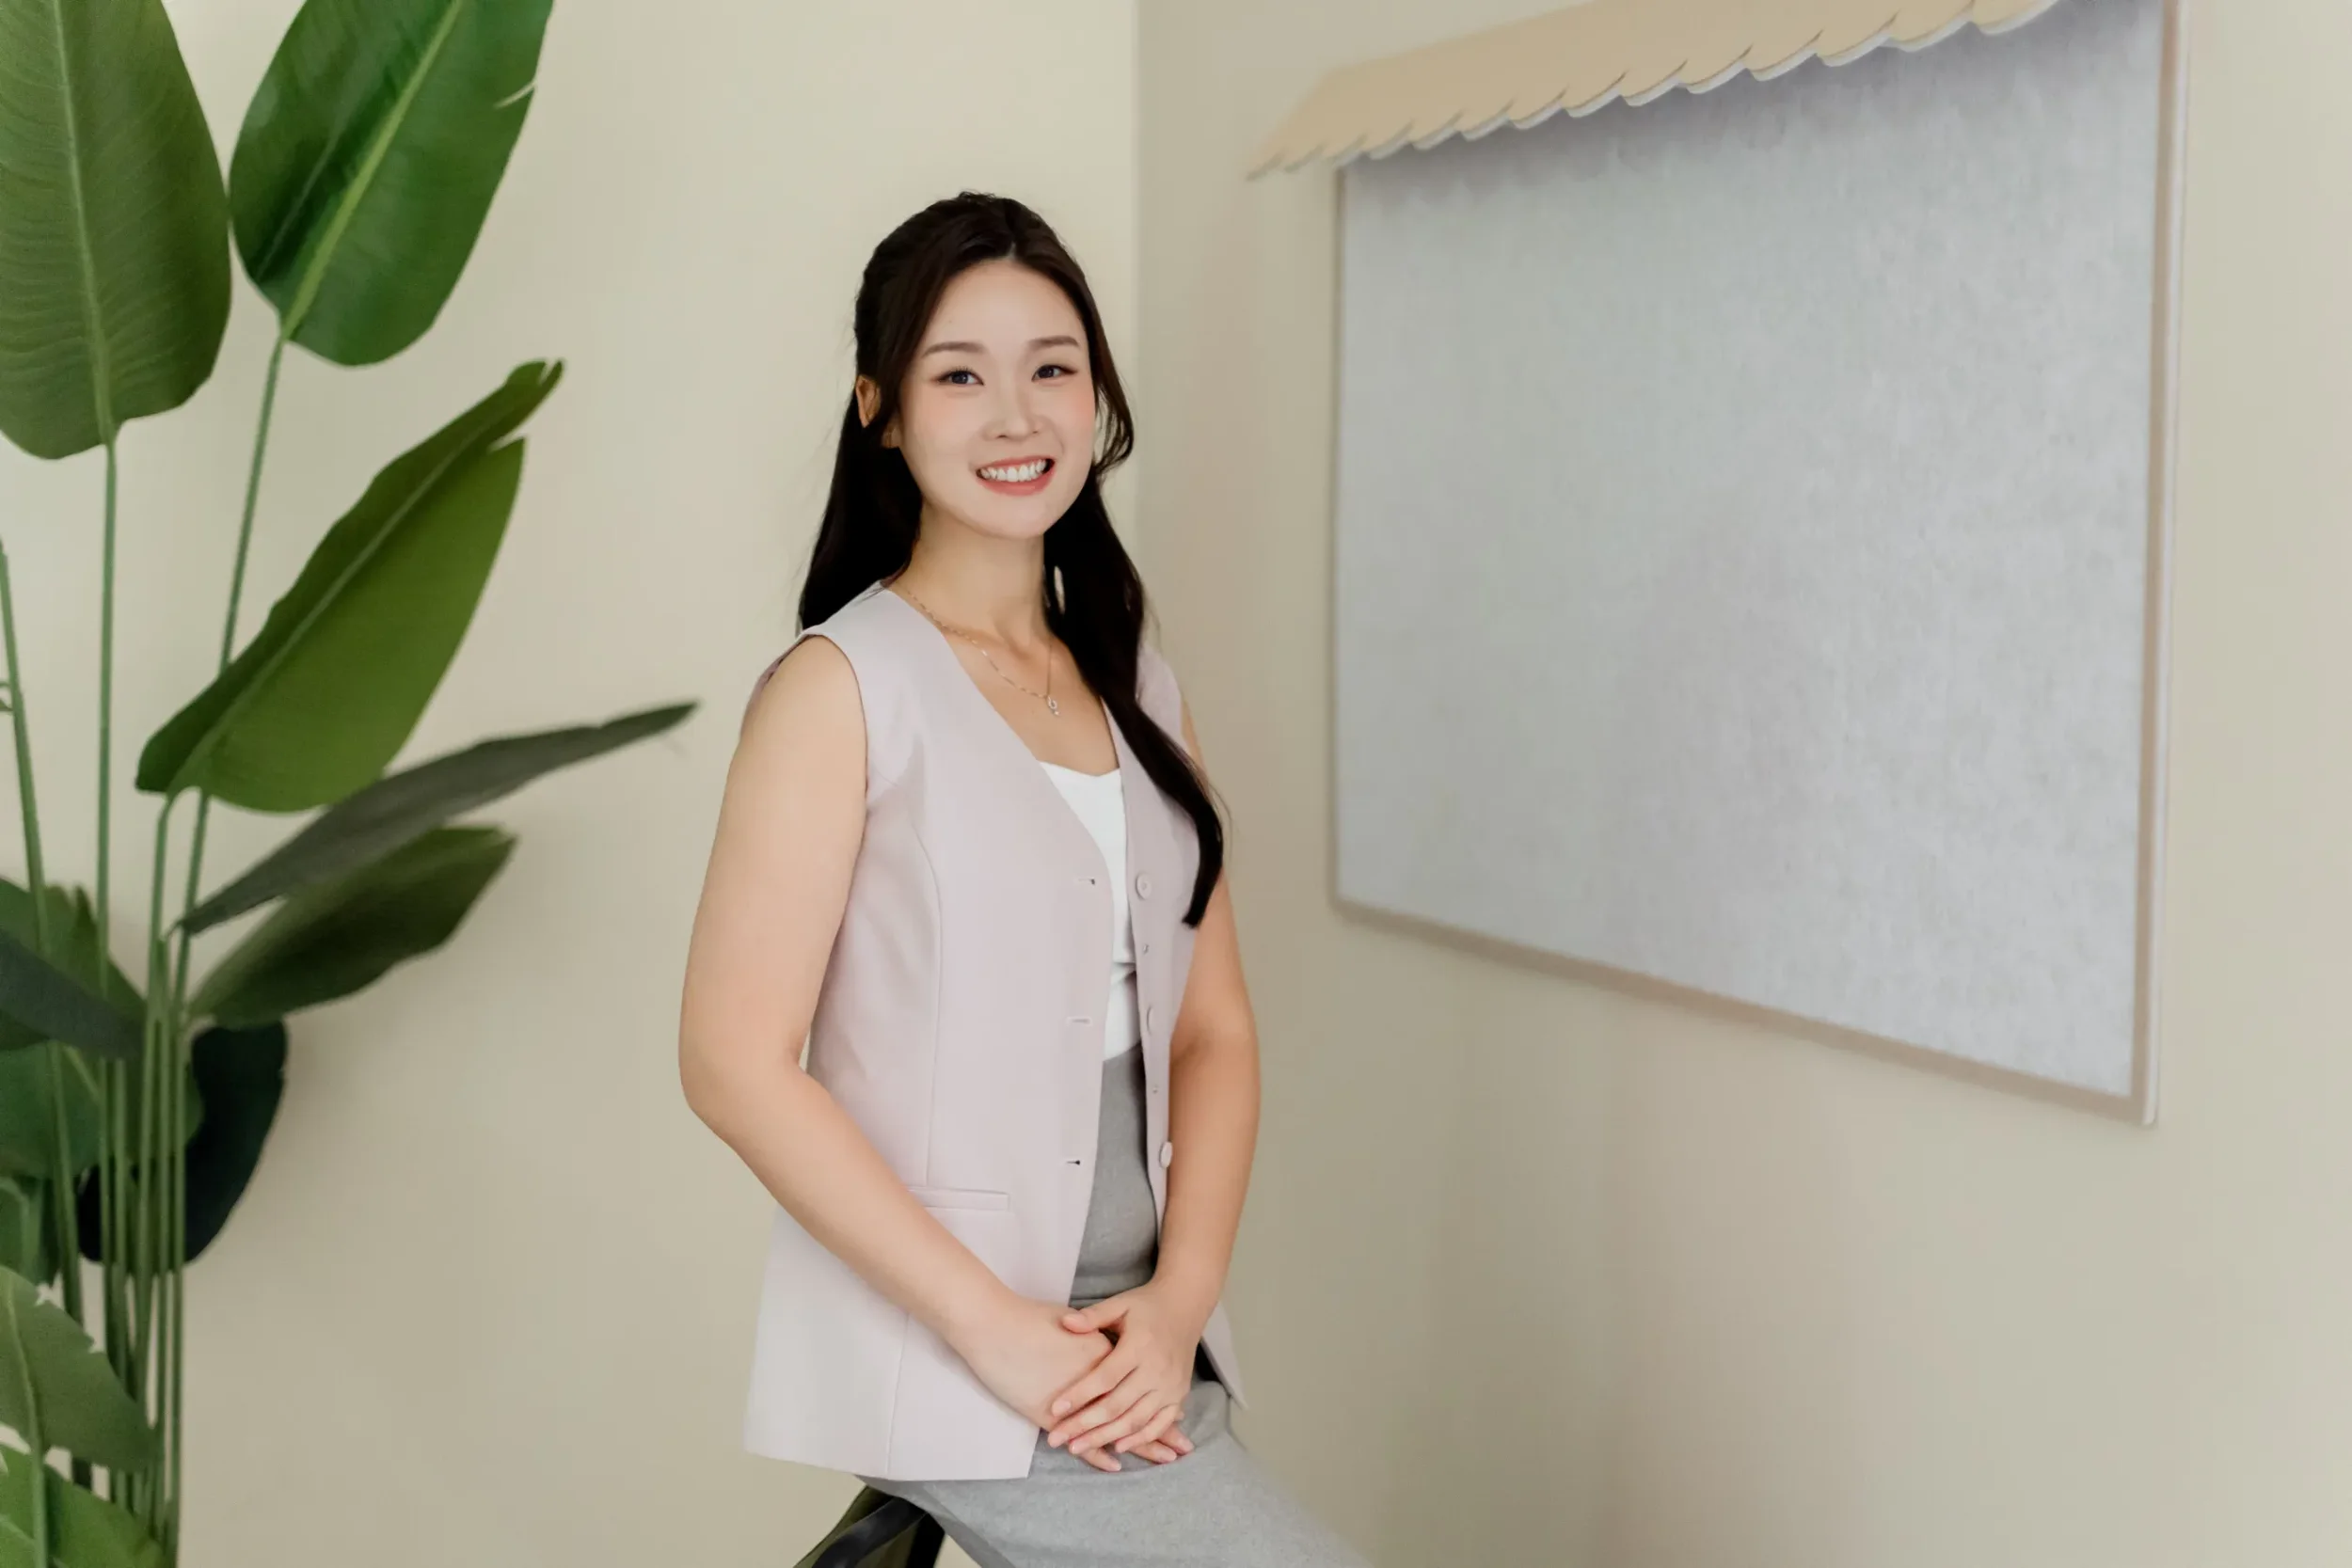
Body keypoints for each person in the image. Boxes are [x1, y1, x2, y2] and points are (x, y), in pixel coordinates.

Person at [677, 193, 1369, 1567]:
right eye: (959, 374)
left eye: (1053, 367)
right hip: (971, 1356)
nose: (1017, 415)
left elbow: (1214, 1028)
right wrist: (996, 1333)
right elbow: (732, 1060)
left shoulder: (1134, 678)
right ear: (880, 408)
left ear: (1098, 395)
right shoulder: (841, 690)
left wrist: (1178, 1306)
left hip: (1144, 1342)